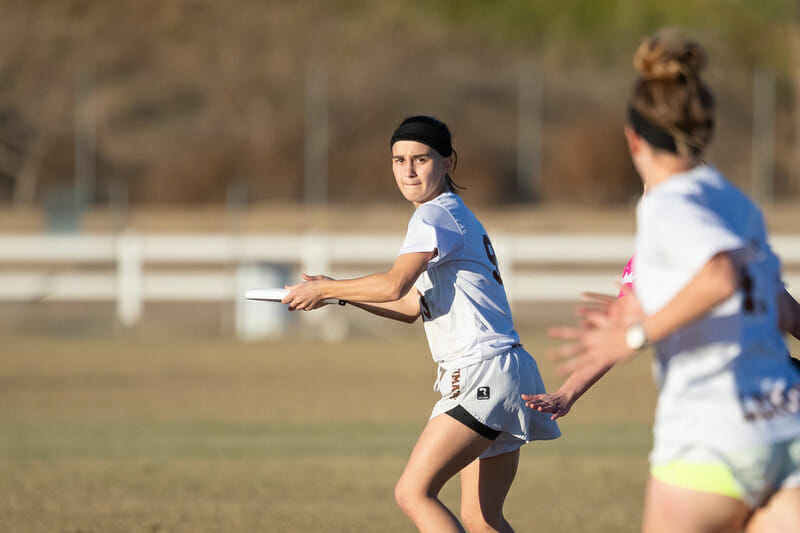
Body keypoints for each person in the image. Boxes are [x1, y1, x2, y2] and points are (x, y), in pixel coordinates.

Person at [528, 28, 800, 533]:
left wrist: (634, 334)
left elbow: (719, 278)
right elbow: (779, 307)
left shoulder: (665, 204)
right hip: (784, 427)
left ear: (633, 139)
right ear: (707, 131)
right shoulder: (736, 204)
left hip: (713, 434)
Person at [282, 115, 560, 533]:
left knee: (413, 492)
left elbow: (394, 285)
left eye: (420, 159)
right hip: (510, 370)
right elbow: (412, 305)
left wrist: (326, 289)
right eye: (398, 160)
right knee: (481, 519)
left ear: (448, 162)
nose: (408, 170)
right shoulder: (456, 214)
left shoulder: (432, 217)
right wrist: (338, 293)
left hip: (481, 371)